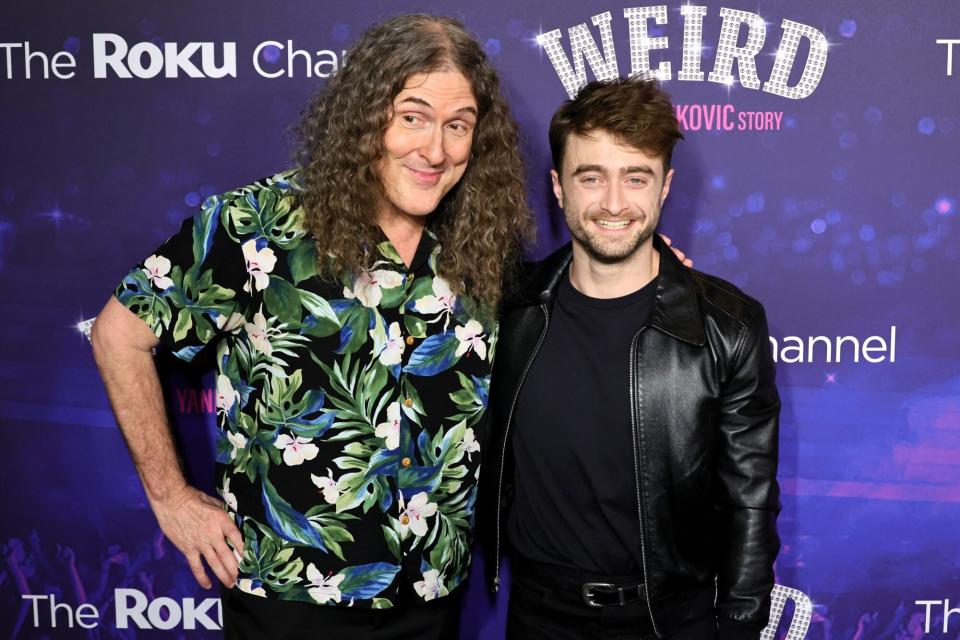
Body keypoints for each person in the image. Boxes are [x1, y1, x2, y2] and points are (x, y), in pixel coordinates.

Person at [91, 14, 533, 639]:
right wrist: (169, 496)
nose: (435, 150)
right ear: (365, 114)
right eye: (412, 116)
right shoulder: (260, 223)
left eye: (457, 126)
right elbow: (119, 333)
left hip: (431, 591)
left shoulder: (481, 244)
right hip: (290, 594)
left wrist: (650, 269)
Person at [483, 77, 781, 640]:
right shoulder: (505, 310)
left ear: (665, 187)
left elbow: (749, 503)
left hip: (671, 620)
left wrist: (739, 626)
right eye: (590, 177)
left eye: (635, 177)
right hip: (537, 617)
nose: (614, 203)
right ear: (558, 187)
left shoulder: (728, 327)